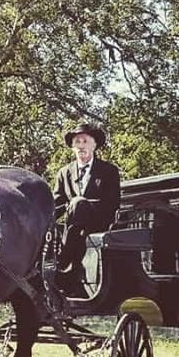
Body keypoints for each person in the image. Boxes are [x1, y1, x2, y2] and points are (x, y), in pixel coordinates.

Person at [52, 121, 121, 285]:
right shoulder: (64, 172)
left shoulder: (108, 171)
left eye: (85, 141)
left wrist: (82, 205)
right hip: (73, 226)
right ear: (72, 146)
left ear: (94, 145)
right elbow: (57, 203)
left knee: (78, 203)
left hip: (99, 221)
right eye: (77, 142)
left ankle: (64, 261)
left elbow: (112, 204)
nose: (81, 146)